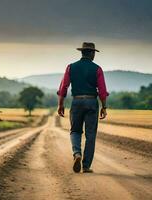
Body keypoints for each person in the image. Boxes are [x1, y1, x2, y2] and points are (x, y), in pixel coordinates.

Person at [57, 42, 109, 173]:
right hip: (92, 102)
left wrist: (60, 104)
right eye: (93, 53)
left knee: (75, 131)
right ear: (92, 53)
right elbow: (102, 91)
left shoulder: (71, 67)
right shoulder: (97, 69)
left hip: (77, 101)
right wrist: (104, 106)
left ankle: (77, 154)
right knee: (90, 135)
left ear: (82, 52)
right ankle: (86, 166)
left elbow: (64, 87)